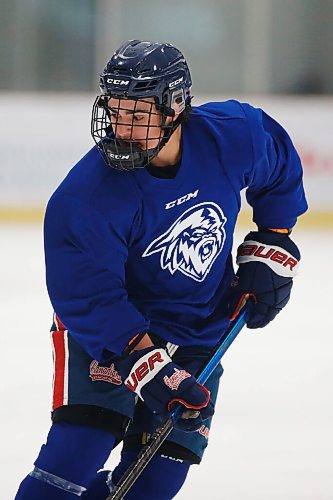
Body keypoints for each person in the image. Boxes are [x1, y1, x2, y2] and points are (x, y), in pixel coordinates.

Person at [16, 40, 307, 499]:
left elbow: (277, 166)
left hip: (197, 325)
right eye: (115, 111)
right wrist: (145, 364)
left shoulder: (234, 136)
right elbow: (90, 298)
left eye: (137, 114)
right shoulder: (85, 198)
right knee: (76, 453)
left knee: (155, 483)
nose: (121, 128)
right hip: (109, 333)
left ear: (175, 107)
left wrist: (272, 237)